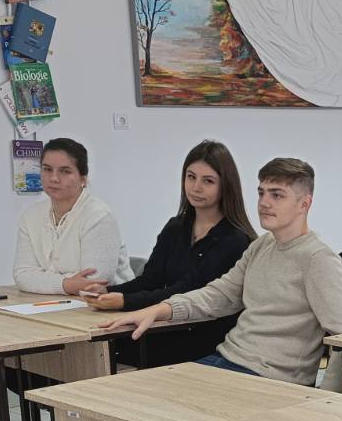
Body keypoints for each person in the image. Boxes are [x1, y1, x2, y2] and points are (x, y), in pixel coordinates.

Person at [99, 157, 342, 421]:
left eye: (277, 195)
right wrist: (161, 309)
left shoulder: (318, 260)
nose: (265, 203)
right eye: (261, 192)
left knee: (195, 418)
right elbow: (219, 295)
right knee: (152, 397)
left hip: (273, 378)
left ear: (304, 203)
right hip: (230, 359)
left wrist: (325, 402)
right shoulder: (262, 247)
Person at [87, 140, 254, 366]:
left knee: (115, 348)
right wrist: (106, 291)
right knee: (102, 346)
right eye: (191, 177)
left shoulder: (234, 239)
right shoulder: (176, 227)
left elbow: (187, 290)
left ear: (226, 186)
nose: (196, 187)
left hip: (205, 335)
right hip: (169, 323)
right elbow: (151, 279)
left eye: (208, 181)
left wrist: (124, 301)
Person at [12, 138, 127, 295]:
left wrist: (42, 279)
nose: (54, 178)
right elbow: (22, 275)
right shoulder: (31, 216)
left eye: (65, 171)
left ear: (83, 178)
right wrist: (66, 284)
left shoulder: (98, 216)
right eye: (47, 169)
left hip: (107, 305)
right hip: (51, 303)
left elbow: (93, 282)